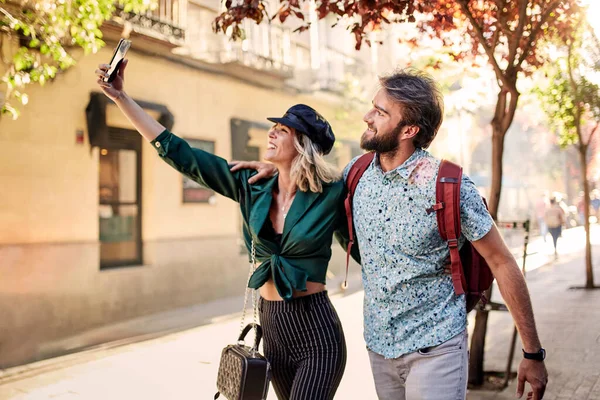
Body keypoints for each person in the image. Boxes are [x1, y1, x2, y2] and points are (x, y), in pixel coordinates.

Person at [235, 69, 548, 400]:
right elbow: (316, 195)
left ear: (409, 130)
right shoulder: (354, 175)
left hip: (437, 347)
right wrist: (278, 169)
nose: (367, 117)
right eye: (373, 107)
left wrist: (532, 353)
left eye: (381, 113)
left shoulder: (448, 184)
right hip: (380, 349)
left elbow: (501, 262)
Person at [95, 60, 347, 400]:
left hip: (316, 332)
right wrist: (121, 97)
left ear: (302, 144)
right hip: (272, 328)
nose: (271, 132)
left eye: (282, 130)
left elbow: (362, 217)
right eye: (274, 127)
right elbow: (182, 154)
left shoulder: (331, 193)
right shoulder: (251, 184)